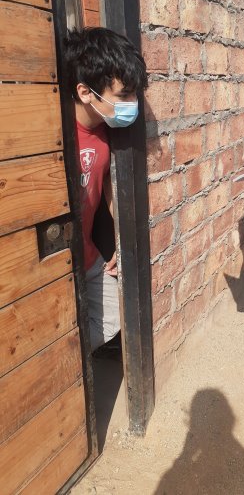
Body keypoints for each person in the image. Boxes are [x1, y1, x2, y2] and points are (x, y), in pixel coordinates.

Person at [64, 27, 148, 353]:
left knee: (112, 318)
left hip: (88, 255)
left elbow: (110, 193)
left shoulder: (107, 132)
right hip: (56, 267)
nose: (133, 104)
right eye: (124, 95)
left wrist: (119, 242)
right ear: (86, 92)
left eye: (135, 94)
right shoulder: (56, 136)